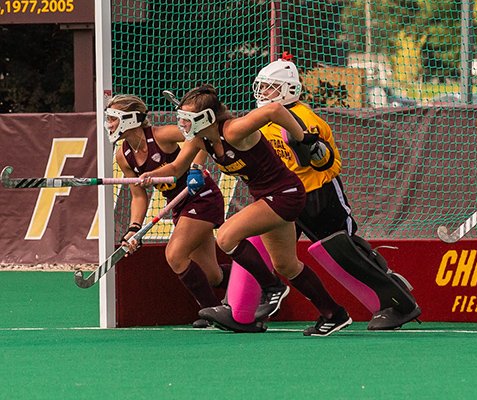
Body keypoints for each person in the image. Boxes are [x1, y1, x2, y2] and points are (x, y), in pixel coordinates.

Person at [139, 84, 352, 336]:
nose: (182, 125)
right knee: (286, 265)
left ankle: (271, 287)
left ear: (206, 117)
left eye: (187, 119)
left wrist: (302, 137)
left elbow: (273, 109)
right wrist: (151, 175)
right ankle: (334, 314)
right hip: (269, 197)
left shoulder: (233, 130)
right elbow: (175, 168)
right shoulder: (201, 140)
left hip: (286, 194)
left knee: (227, 235)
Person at [249, 52, 421, 330]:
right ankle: (255, 305)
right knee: (279, 257)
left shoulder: (302, 118)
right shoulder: (265, 118)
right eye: (263, 86)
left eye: (271, 87)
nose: (264, 92)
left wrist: (312, 149)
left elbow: (325, 160)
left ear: (289, 90)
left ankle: (398, 302)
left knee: (344, 249)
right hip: (289, 197)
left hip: (319, 195)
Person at [104, 94, 229, 329]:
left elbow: (202, 136)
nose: (109, 124)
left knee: (175, 255)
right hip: (179, 205)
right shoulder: (124, 155)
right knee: (212, 275)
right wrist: (134, 229)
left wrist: (196, 167)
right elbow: (139, 195)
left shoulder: (162, 135)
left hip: (202, 198)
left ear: (130, 119)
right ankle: (255, 284)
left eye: (113, 118)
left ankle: (214, 311)